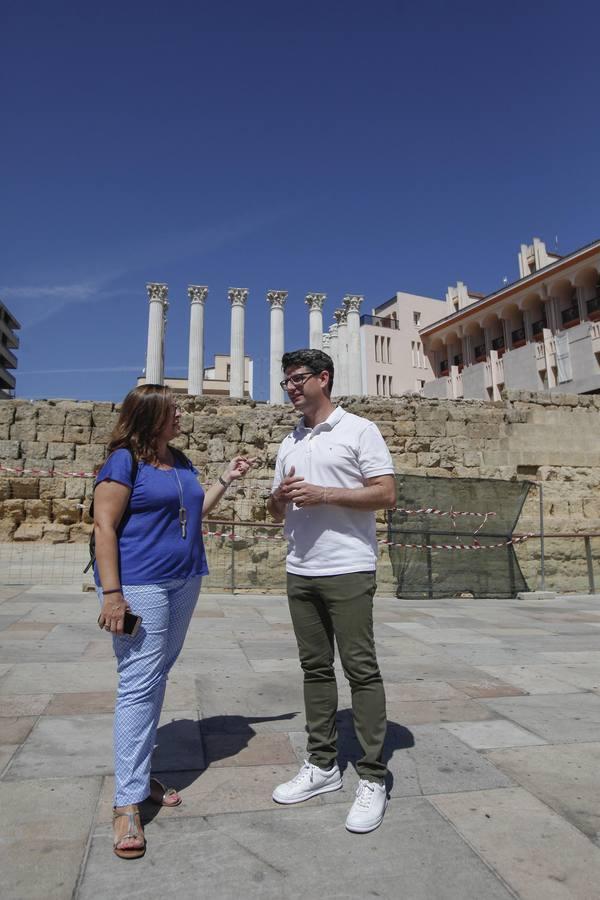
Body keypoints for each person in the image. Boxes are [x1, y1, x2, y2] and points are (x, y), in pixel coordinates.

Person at [93, 384, 254, 859]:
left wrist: (225, 480)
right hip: (141, 584)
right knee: (138, 683)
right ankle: (127, 802)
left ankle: (139, 777)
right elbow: (104, 526)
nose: (181, 414)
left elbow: (193, 512)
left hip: (185, 580)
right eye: (173, 409)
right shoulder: (123, 461)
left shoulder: (179, 460)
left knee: (156, 675)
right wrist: (113, 595)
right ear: (150, 416)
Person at [268, 349, 396, 834]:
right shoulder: (289, 441)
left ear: (324, 378)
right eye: (286, 381)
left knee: (361, 669)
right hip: (300, 568)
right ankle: (322, 765)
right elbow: (275, 512)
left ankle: (373, 776)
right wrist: (278, 498)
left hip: (348, 567)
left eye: (298, 379)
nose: (291, 387)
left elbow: (385, 493)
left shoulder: (359, 430)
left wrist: (325, 494)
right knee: (315, 668)